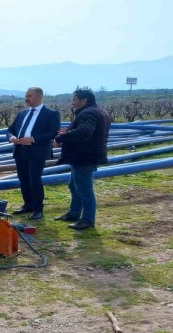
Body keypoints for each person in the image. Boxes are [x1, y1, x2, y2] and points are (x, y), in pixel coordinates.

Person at [53, 88, 111, 230]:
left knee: (84, 189)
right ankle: (74, 213)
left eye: (74, 100)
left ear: (84, 100)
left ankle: (87, 220)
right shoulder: (100, 112)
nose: (72, 103)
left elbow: (84, 131)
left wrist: (61, 138)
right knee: (74, 186)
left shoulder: (88, 113)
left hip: (84, 157)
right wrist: (69, 131)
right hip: (88, 156)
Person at [6, 87, 61, 220]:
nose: (26, 98)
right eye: (26, 96)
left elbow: (53, 133)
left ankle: (38, 209)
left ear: (39, 97)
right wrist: (11, 137)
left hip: (37, 151)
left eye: (30, 96)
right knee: (23, 179)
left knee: (34, 180)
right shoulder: (22, 113)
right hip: (20, 150)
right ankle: (28, 205)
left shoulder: (51, 114)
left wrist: (33, 139)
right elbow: (10, 130)